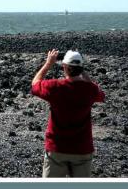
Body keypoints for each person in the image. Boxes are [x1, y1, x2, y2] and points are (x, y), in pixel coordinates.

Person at [30, 49, 105, 178]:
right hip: (82, 148)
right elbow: (100, 95)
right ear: (81, 68)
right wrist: (82, 71)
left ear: (64, 67)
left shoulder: (55, 87)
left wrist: (48, 64)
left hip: (57, 148)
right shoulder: (90, 90)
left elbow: (35, 85)